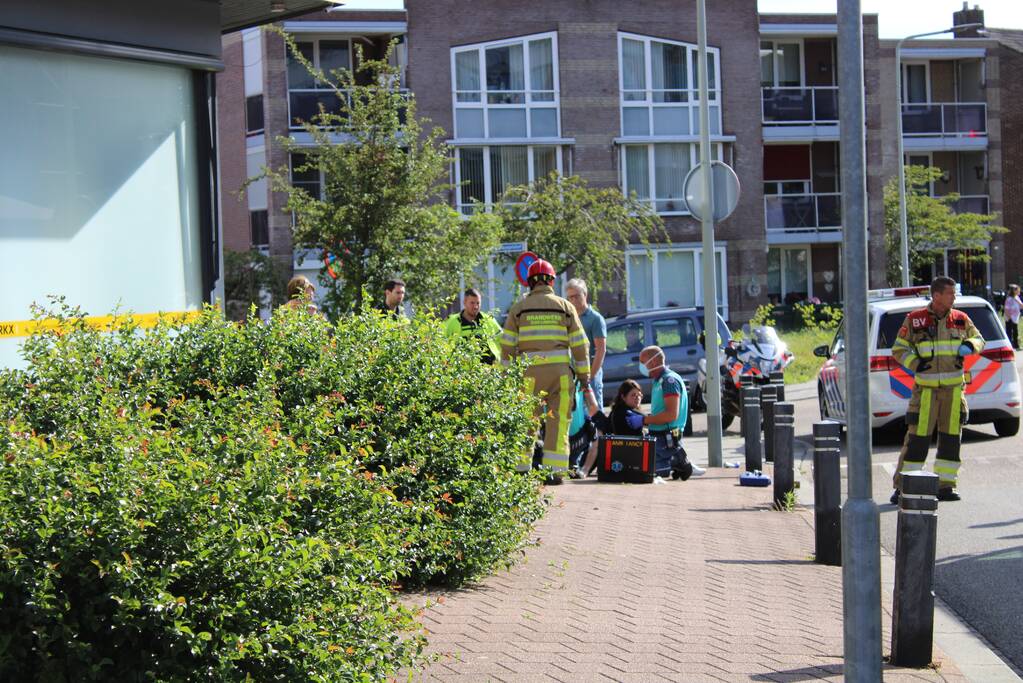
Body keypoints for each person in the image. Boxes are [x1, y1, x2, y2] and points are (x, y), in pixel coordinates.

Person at [890, 276, 984, 504]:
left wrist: (970, 346)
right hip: (925, 394)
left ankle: (946, 486)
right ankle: (904, 487)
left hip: (953, 392)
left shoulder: (961, 319)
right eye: (950, 293)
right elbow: (899, 349)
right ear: (937, 295)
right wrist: (915, 363)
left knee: (951, 440)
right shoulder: (915, 320)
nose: (954, 297)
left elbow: (979, 339)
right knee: (916, 441)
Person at [501, 259, 590, 483]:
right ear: (551, 280)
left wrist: (506, 378)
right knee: (558, 423)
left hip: (528, 376)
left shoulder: (518, 309)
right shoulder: (565, 307)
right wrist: (584, 376)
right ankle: (554, 473)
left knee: (525, 422)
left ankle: (521, 470)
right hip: (559, 376)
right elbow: (580, 345)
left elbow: (508, 346)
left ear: (529, 282)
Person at [638, 345, 704, 479]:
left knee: (648, 471)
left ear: (654, 362)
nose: (641, 367)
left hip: (667, 438)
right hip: (660, 435)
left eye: (643, 363)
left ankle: (679, 460)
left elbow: (671, 415)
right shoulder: (658, 381)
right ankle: (679, 462)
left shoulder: (669, 381)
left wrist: (644, 420)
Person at [573, 380, 646, 478]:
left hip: (604, 457)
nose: (638, 398)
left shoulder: (616, 412)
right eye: (633, 395)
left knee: (598, 423)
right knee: (599, 433)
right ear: (623, 397)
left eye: (639, 395)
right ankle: (585, 469)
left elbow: (594, 407)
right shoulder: (625, 414)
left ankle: (585, 468)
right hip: (619, 459)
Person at [566, 279, 607, 408]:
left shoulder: (595, 318)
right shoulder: (568, 317)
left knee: (594, 411)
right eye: (570, 297)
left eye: (576, 296)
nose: (573, 300)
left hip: (591, 374)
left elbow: (601, 350)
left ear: (585, 294)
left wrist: (589, 377)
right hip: (572, 373)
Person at [443, 288, 502, 364]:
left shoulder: (489, 320)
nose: (475, 306)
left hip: (488, 370)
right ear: (464, 302)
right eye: (472, 303)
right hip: (461, 372)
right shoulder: (451, 321)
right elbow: (440, 342)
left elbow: (502, 340)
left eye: (478, 303)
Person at [1003, 283, 1021, 350]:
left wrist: (1017, 300)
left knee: (1015, 332)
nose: (1019, 291)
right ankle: (1009, 345)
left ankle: (1016, 345)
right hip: (1010, 318)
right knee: (1009, 332)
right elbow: (1006, 309)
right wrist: (1009, 318)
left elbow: (1022, 306)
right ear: (1014, 291)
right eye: (1017, 290)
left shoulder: (1017, 298)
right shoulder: (1009, 299)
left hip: (1015, 318)